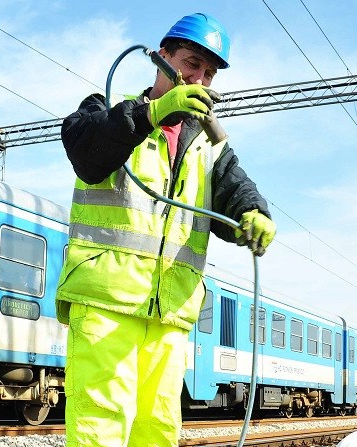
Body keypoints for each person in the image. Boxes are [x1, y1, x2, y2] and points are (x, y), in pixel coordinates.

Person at [57, 12, 276, 447]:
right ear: (161, 57)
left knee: (158, 428)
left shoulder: (208, 145)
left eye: (209, 73)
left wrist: (255, 213)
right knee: (100, 422)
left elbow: (237, 189)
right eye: (192, 63)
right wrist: (151, 114)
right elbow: (88, 152)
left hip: (169, 311)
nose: (200, 78)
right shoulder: (104, 108)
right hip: (107, 299)